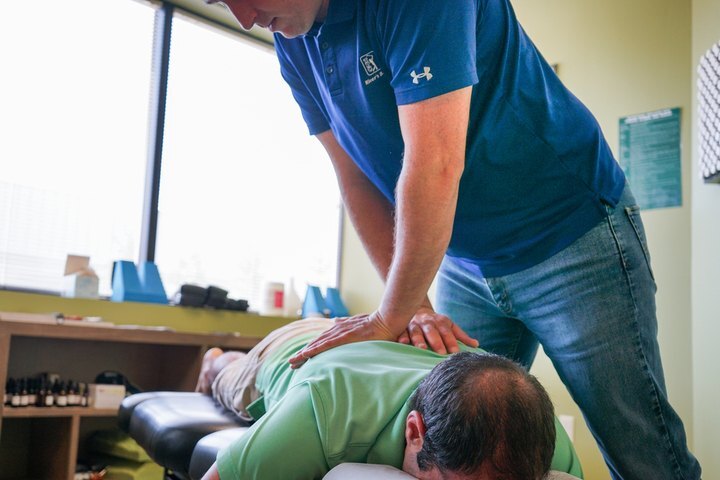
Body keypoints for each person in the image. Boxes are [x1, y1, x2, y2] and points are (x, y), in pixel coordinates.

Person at [208, 1, 701, 478]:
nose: (245, 17)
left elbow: (435, 163)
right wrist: (414, 306)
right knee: (453, 439)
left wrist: (388, 315)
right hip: (463, 264)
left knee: (642, 456)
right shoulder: (292, 37)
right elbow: (355, 177)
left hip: (569, 235)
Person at [196, 319, 582, 480]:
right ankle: (215, 359)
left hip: (380, 340)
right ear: (416, 431)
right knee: (228, 375)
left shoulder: (550, 449)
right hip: (298, 348)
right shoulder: (324, 412)